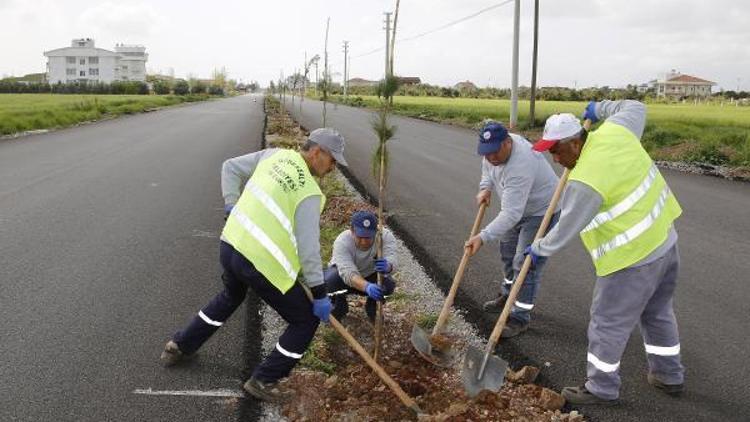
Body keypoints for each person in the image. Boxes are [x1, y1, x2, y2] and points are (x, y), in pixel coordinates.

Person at [160, 128, 348, 403]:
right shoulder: (309, 193)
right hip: (259, 263)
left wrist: (230, 205)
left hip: (231, 244)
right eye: (333, 161)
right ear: (317, 152)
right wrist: (319, 294)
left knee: (231, 295)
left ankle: (180, 345)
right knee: (305, 319)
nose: (333, 168)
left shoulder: (274, 155)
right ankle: (264, 380)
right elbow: (308, 250)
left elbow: (230, 167)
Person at [528, 101, 684, 405]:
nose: (554, 158)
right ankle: (669, 375)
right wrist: (600, 109)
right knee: (657, 312)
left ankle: (601, 387)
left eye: (557, 150)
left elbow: (565, 228)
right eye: (549, 151)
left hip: (631, 259)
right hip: (665, 241)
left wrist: (538, 249)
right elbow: (635, 107)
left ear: (575, 142)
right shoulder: (616, 131)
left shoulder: (585, 180)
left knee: (607, 322)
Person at [464, 121, 560, 338]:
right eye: (486, 153)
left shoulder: (520, 165)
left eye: (495, 152)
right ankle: (508, 294)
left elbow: (512, 214)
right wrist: (485, 188)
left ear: (508, 143)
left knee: (525, 263)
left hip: (541, 212)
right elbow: (487, 169)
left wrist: (483, 236)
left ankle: (519, 316)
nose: (491, 158)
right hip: (518, 208)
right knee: (507, 253)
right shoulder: (492, 151)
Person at [324, 210, 397, 323]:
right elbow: (348, 273)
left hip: (370, 275)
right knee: (329, 281)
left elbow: (392, 257)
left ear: (376, 232)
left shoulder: (385, 236)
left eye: (368, 237)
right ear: (352, 231)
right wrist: (366, 286)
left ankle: (373, 307)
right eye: (360, 237)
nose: (364, 242)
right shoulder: (342, 242)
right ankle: (339, 307)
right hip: (344, 280)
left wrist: (389, 266)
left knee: (388, 285)